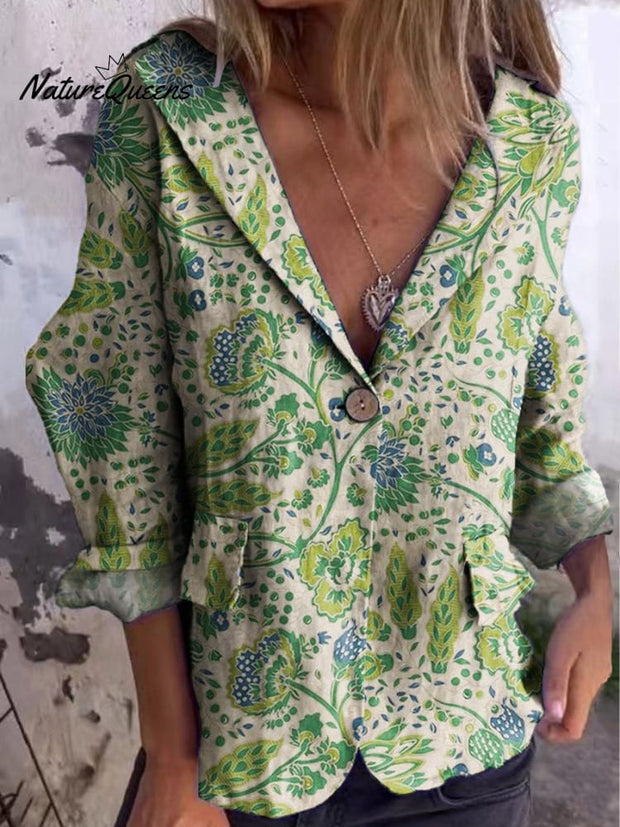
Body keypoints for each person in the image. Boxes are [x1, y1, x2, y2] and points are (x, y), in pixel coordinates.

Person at [24, 1, 616, 826]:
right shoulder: (174, 111)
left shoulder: (529, 147)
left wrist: (594, 589)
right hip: (242, 759)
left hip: (464, 749)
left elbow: (539, 409)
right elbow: (120, 437)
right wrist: (172, 758)